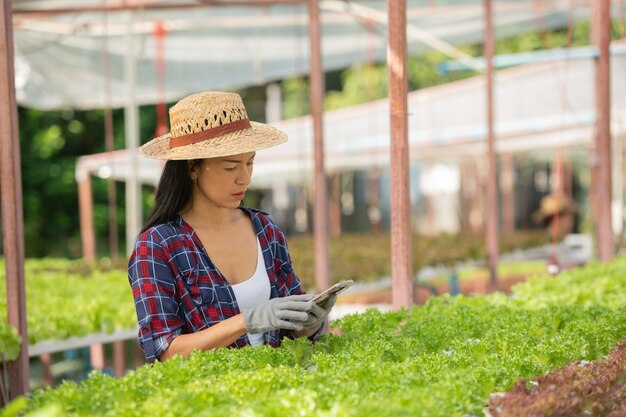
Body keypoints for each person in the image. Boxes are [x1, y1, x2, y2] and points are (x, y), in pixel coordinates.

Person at [128, 91, 336, 363]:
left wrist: (310, 322)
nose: (245, 178)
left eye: (250, 162)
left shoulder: (263, 228)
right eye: (230, 167)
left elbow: (290, 327)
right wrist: (246, 322)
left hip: (278, 390)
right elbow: (165, 351)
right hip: (210, 400)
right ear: (193, 168)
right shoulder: (158, 245)